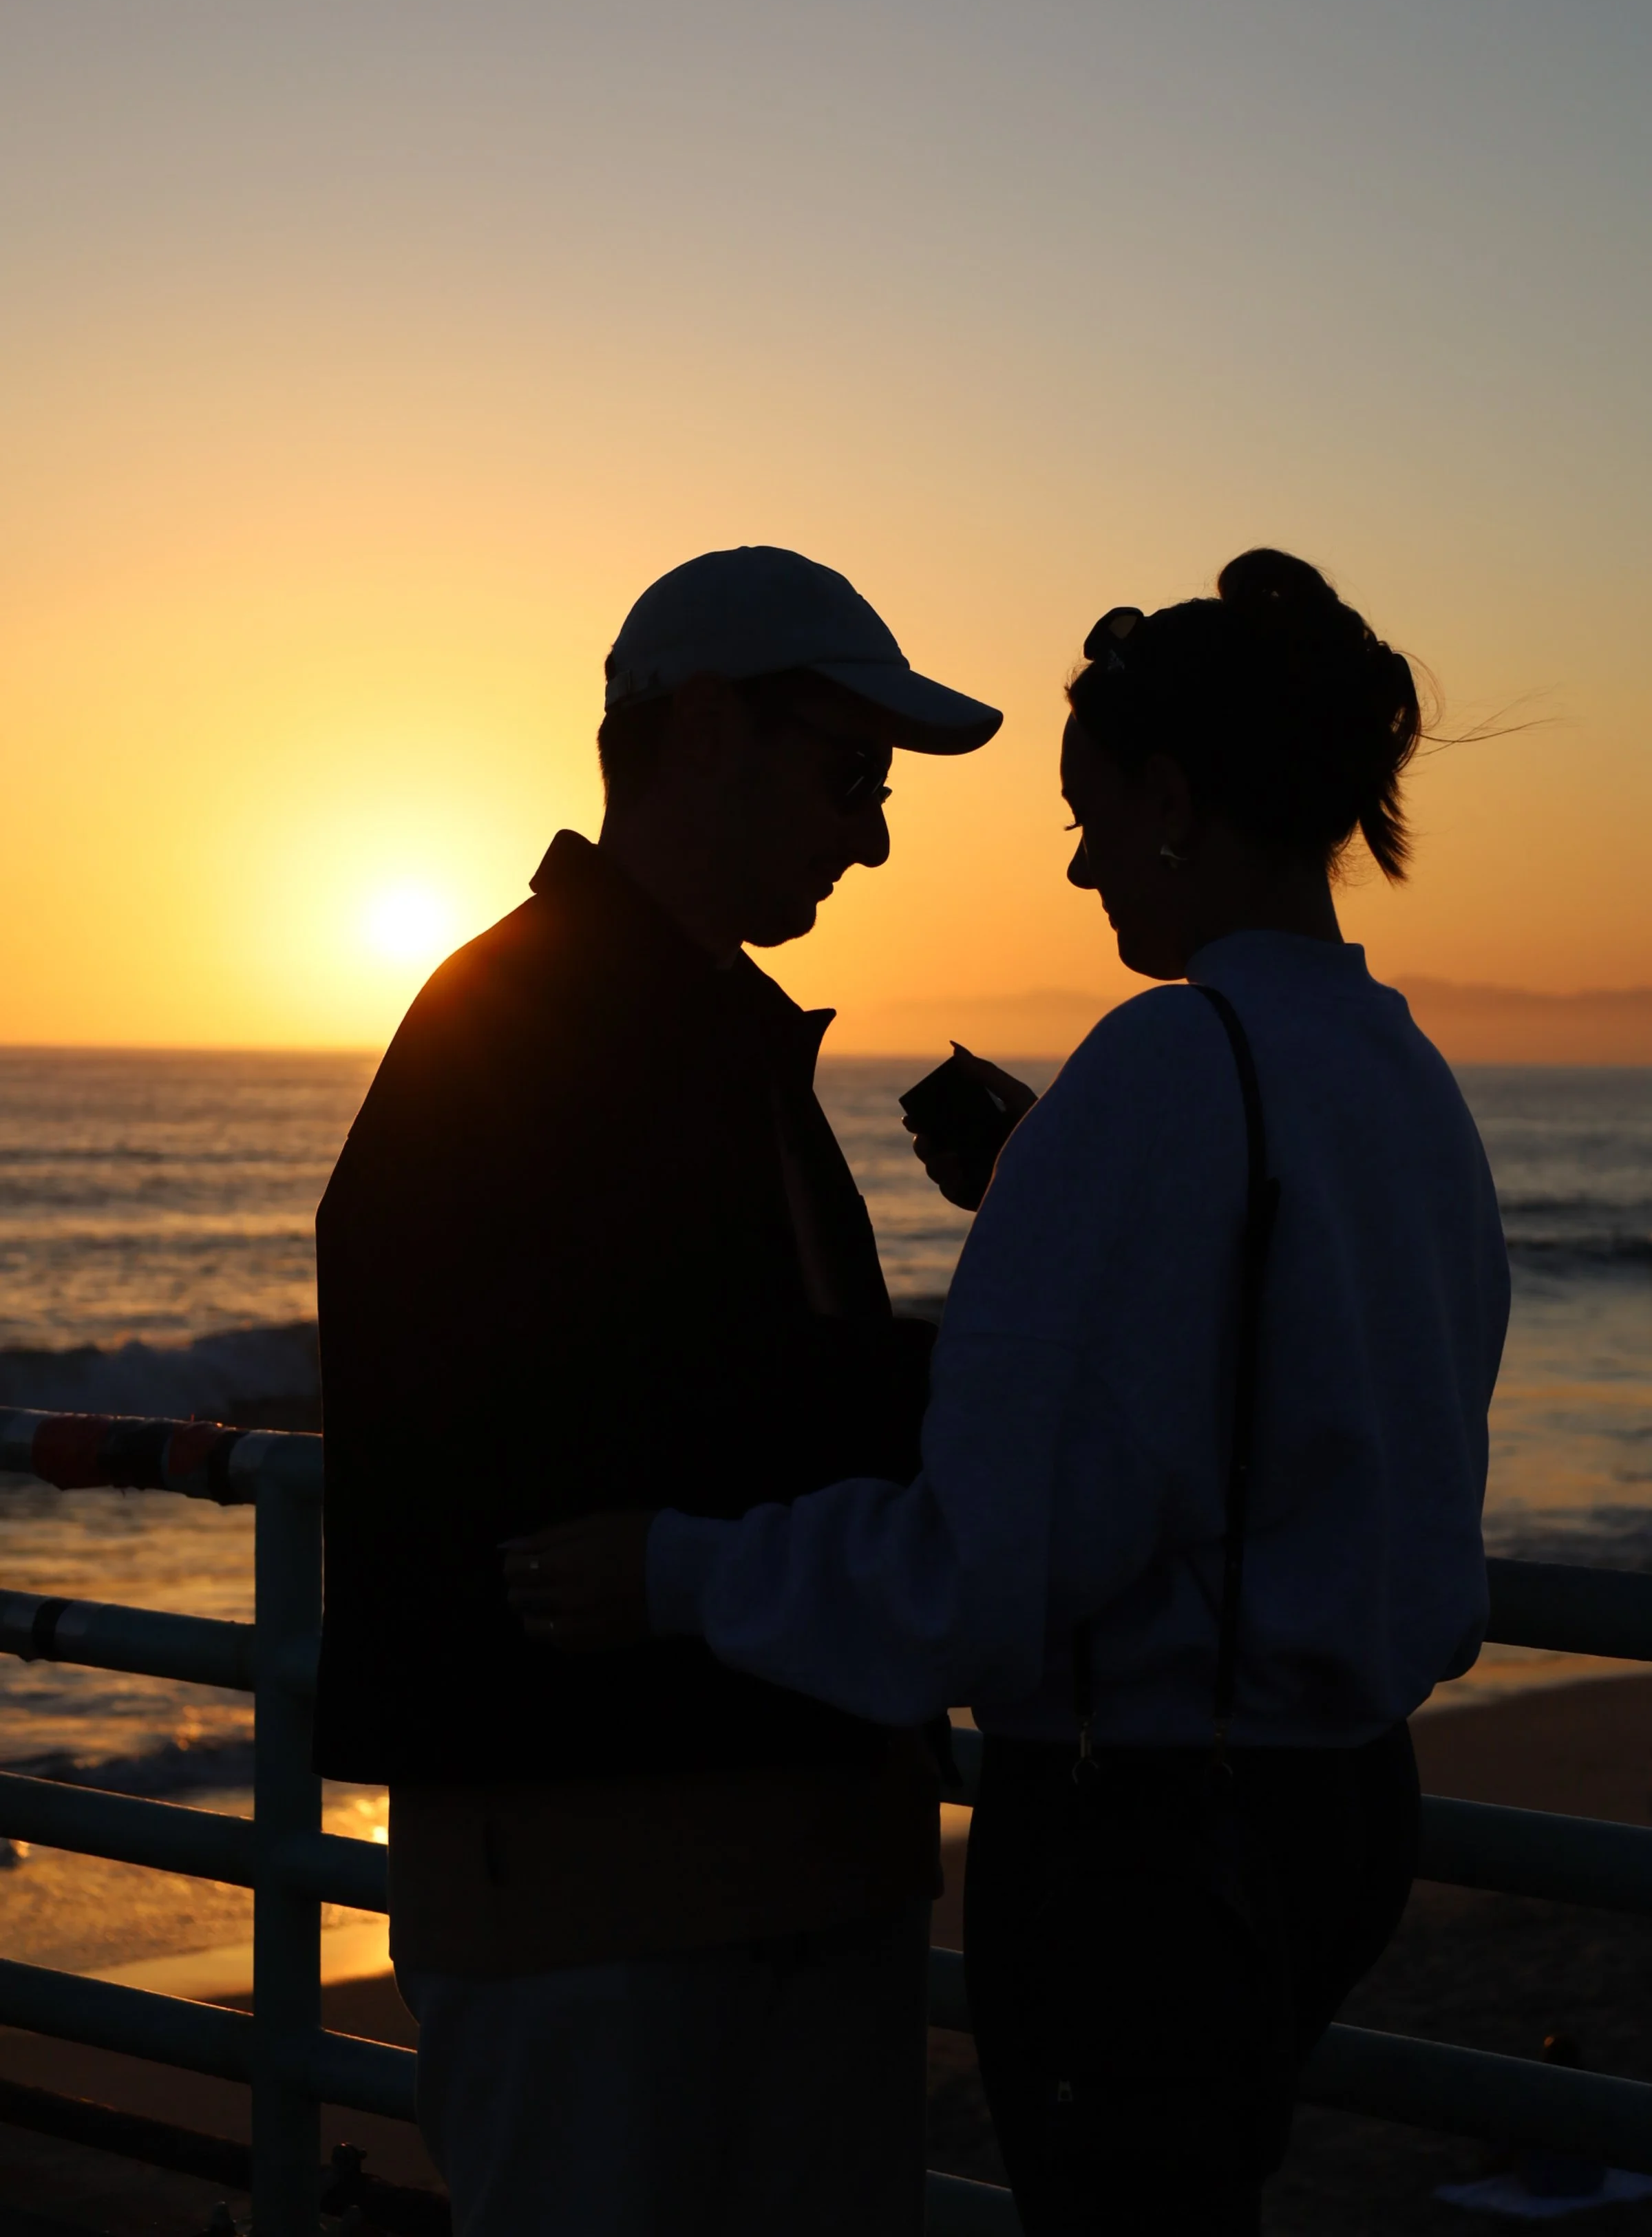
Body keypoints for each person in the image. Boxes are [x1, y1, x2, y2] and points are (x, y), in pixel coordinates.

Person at [516, 549, 1511, 2235]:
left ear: (1177, 799)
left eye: (1090, 811)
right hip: (1342, 1804)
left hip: (1154, 1828)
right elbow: (1292, 1375)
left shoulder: (1166, 1068)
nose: (1075, 863)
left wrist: (671, 1568)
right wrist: (1052, 1194)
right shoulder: (1398, 1072)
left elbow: (979, 1575)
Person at [311, 544, 1001, 2237]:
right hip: (611, 1884)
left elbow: (682, 1397)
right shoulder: (545, 1023)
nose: (874, 834)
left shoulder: (679, 1025)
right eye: (853, 774)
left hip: (733, 1865)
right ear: (705, 734)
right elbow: (558, 1422)